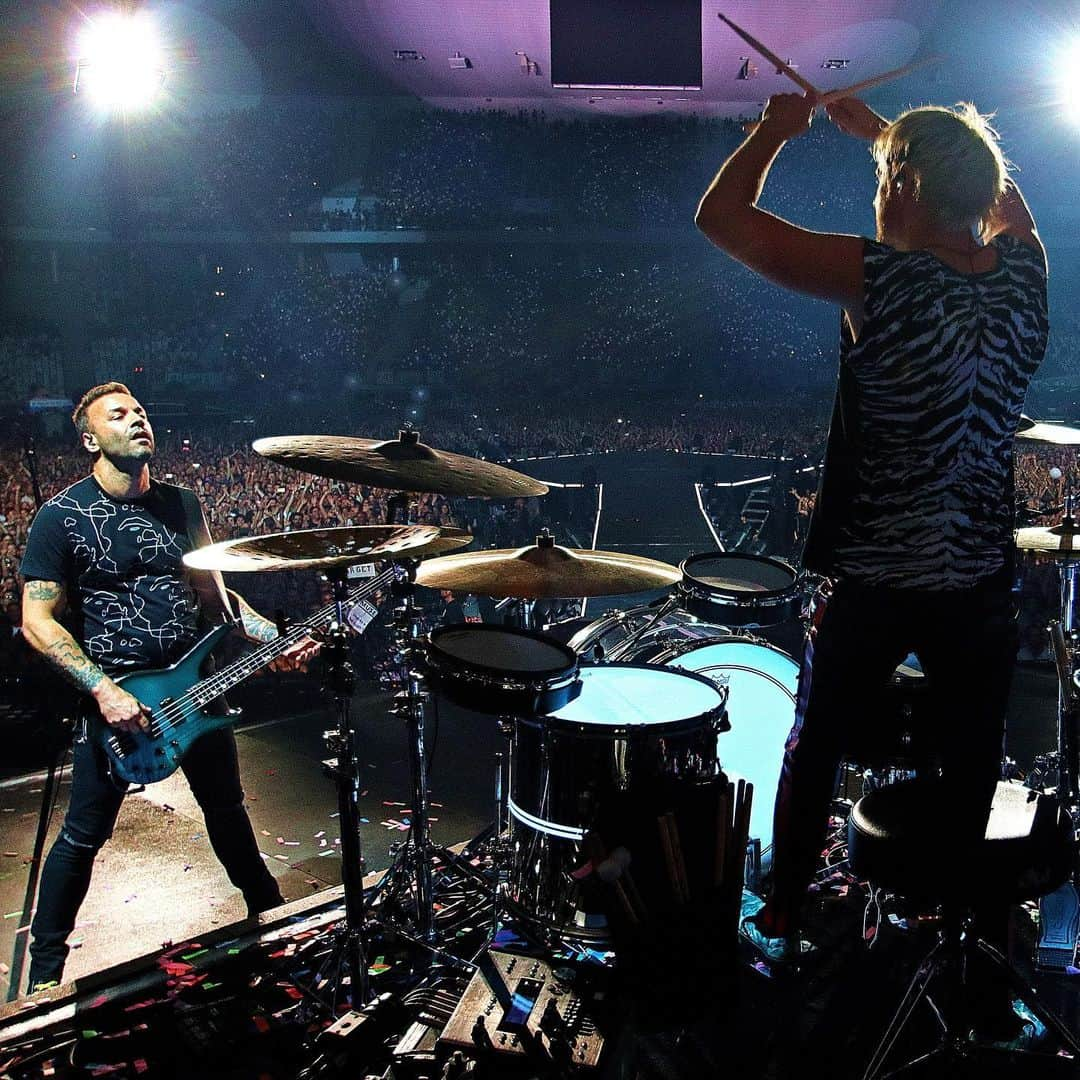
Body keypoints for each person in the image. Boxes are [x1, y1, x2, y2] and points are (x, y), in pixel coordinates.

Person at [696, 95, 1047, 1035]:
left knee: (815, 749)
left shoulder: (883, 281)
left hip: (884, 577)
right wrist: (887, 132)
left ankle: (781, 914)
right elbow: (1006, 202)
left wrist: (776, 128)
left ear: (909, 187)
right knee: (973, 754)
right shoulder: (1025, 278)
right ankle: (963, 927)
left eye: (885, 181)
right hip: (978, 579)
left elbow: (720, 221)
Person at [19, 382, 320, 993]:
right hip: (119, 704)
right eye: (119, 415)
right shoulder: (60, 517)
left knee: (227, 809)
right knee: (83, 836)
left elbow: (218, 597)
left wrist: (272, 639)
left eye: (141, 412)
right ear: (89, 439)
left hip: (196, 691)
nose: (137, 420)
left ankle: (271, 911)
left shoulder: (184, 506)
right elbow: (36, 619)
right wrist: (102, 690)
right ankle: (44, 976)